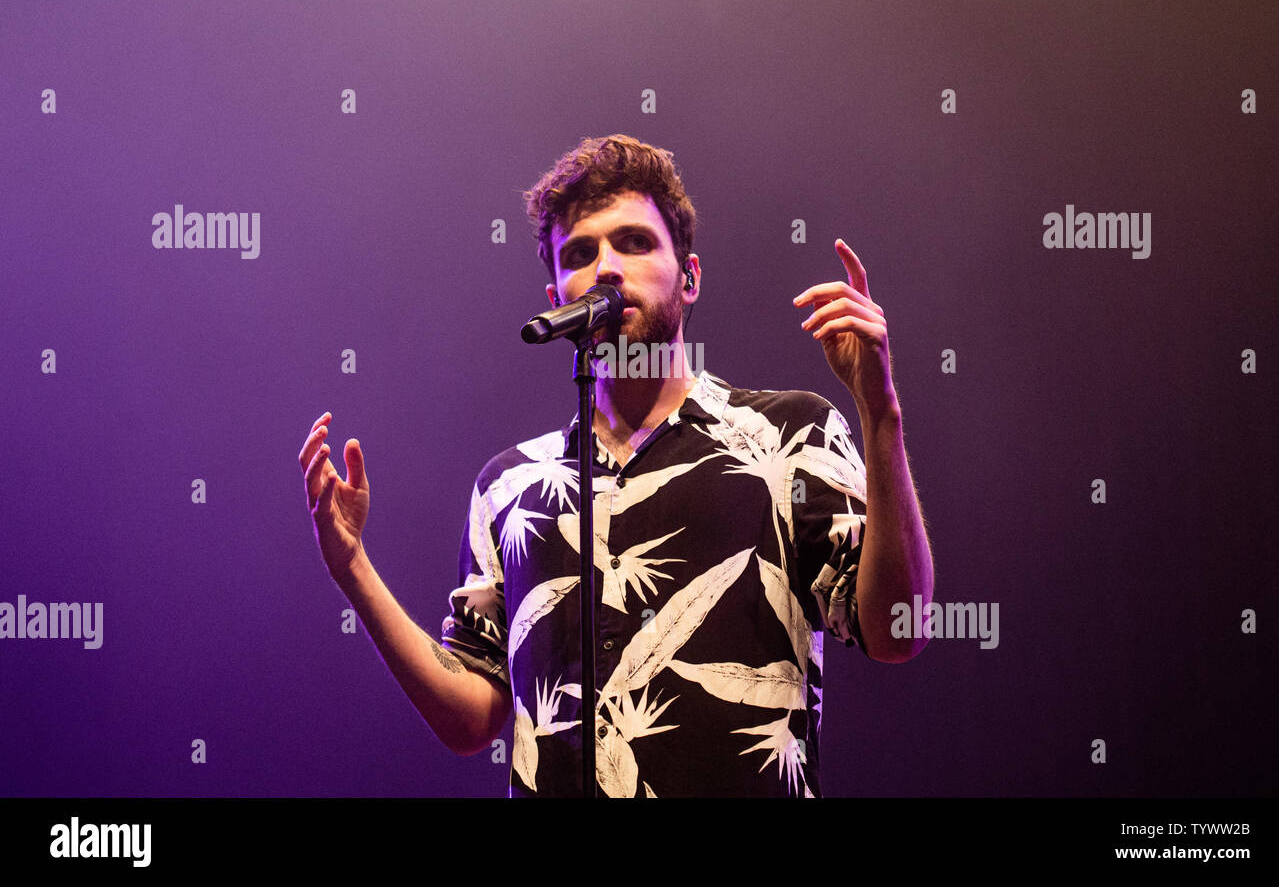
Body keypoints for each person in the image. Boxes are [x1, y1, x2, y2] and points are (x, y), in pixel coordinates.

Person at [299, 134, 934, 797]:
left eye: (634, 242)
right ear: (556, 297)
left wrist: (880, 414)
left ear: (689, 277)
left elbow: (898, 630)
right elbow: (472, 721)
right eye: (580, 253)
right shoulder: (512, 486)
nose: (605, 267)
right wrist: (352, 568)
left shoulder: (787, 434)